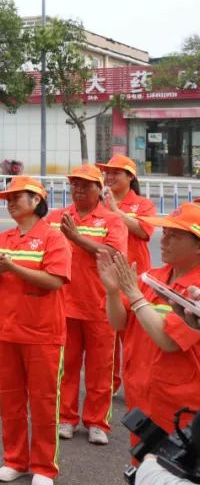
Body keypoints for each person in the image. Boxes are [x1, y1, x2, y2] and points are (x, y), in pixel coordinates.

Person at [0, 176, 71, 485]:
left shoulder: (53, 238)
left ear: (37, 200)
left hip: (43, 333)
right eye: (7, 198)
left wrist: (12, 268)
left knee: (44, 402)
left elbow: (55, 281)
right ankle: (16, 459)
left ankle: (44, 467)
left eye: (16, 197)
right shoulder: (3, 238)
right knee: (10, 401)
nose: (9, 203)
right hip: (7, 331)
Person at [98, 202, 200, 436]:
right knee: (141, 464)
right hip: (142, 391)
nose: (163, 241)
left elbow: (168, 341)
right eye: (165, 233)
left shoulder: (196, 290)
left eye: (174, 236)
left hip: (179, 405)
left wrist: (133, 294)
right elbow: (119, 322)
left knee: (171, 467)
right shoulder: (153, 277)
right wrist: (113, 291)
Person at [47, 164, 127, 444]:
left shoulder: (111, 220)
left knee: (100, 369)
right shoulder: (57, 217)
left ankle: (97, 422)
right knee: (66, 368)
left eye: (85, 185)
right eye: (74, 184)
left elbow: (114, 253)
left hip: (100, 305)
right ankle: (66, 418)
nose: (78, 189)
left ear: (98, 189)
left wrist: (76, 238)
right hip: (64, 306)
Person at [97, 154, 156, 396]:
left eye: (115, 173)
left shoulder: (143, 204)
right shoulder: (98, 204)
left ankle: (138, 382)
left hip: (134, 282)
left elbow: (144, 231)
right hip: (108, 281)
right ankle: (110, 385)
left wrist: (114, 211)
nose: (109, 177)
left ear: (130, 177)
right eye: (107, 173)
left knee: (135, 339)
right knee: (107, 339)